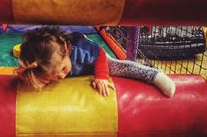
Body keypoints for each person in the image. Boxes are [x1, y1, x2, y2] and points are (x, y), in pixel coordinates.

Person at [16, 26, 175, 97]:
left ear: (67, 51)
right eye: (56, 76)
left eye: (64, 69)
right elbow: (31, 74)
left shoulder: (78, 49)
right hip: (78, 66)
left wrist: (101, 77)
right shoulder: (44, 62)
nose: (63, 76)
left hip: (94, 61)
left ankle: (154, 75)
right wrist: (26, 73)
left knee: (118, 67)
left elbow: (99, 54)